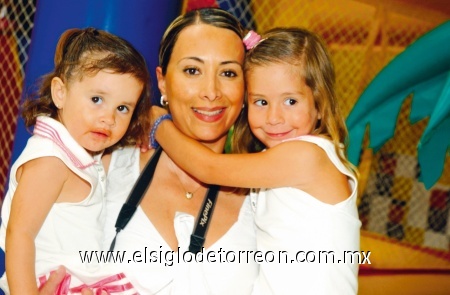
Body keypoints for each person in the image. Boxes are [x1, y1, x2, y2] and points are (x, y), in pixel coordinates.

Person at [150, 27, 361, 294]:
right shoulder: (273, 161)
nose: (274, 117)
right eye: (261, 102)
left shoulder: (308, 156)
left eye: (291, 101)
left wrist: (158, 123)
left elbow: (208, 168)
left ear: (319, 105)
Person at [98, 7, 259, 295]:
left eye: (228, 72)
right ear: (162, 81)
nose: (211, 91)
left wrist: (159, 123)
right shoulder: (108, 168)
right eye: (192, 70)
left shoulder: (265, 198)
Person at [0, 27, 151, 294]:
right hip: (53, 284)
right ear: (60, 93)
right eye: (96, 99)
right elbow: (19, 234)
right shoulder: (51, 161)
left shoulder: (80, 154)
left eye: (123, 108)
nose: (109, 117)